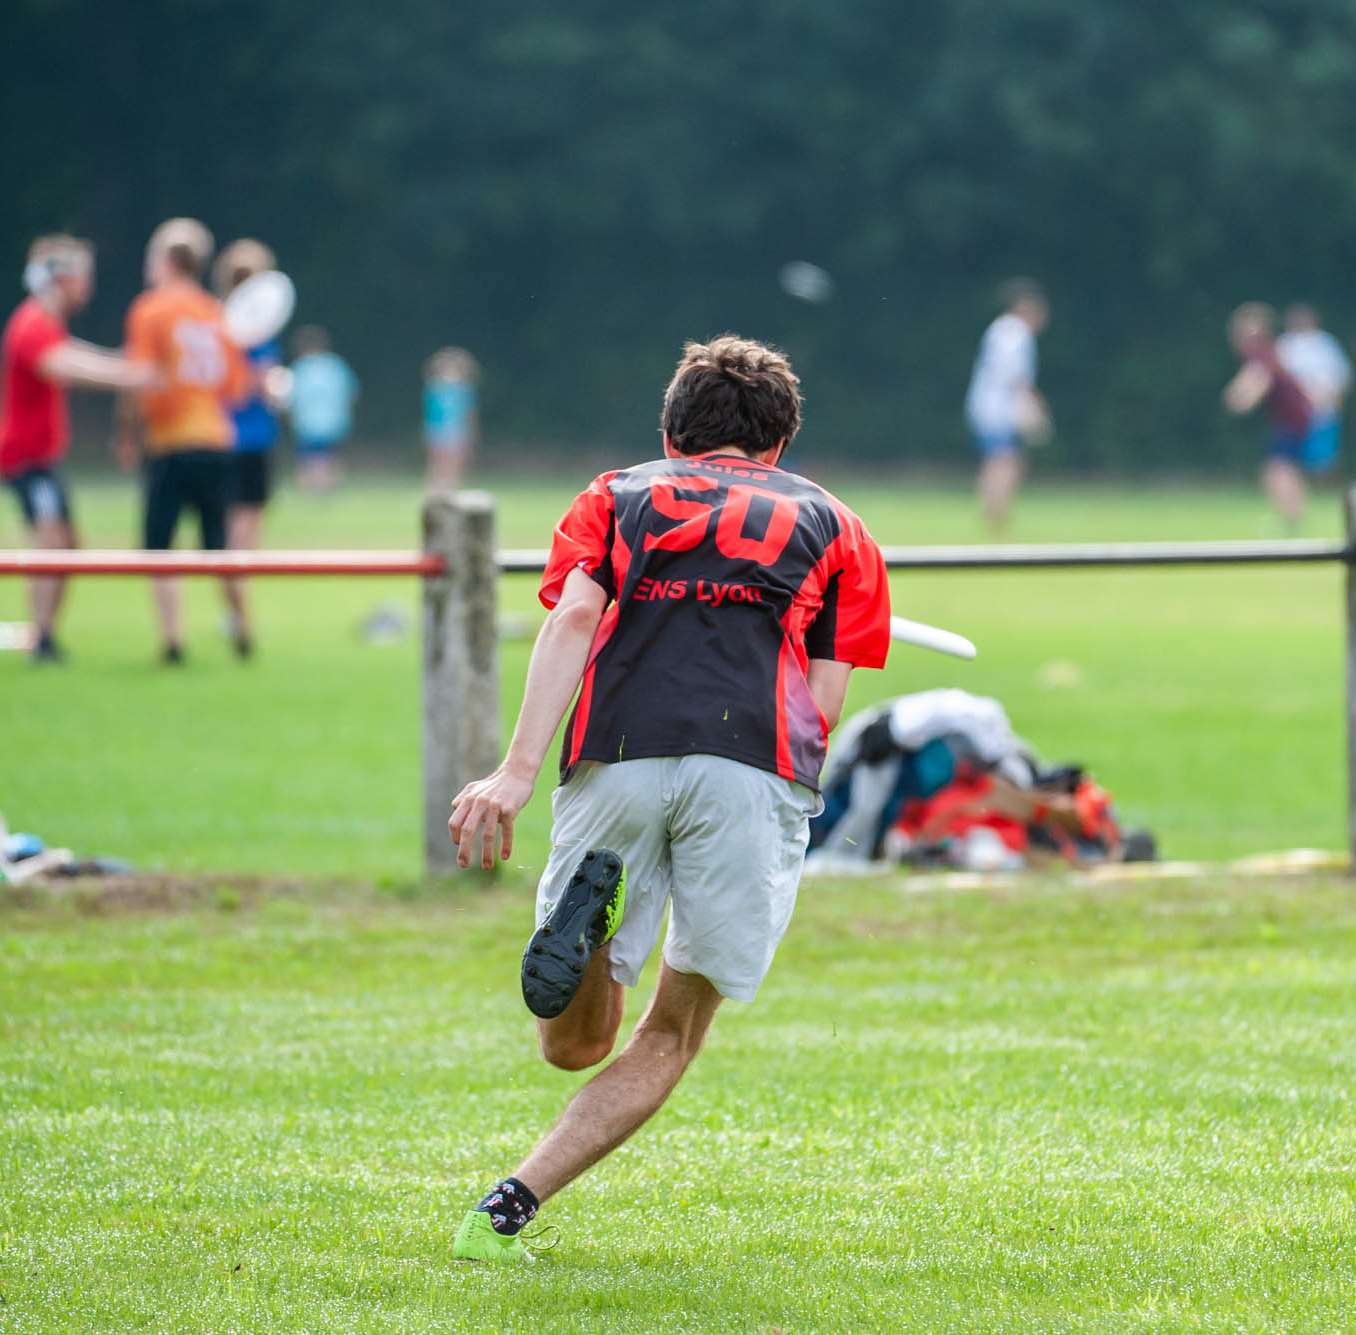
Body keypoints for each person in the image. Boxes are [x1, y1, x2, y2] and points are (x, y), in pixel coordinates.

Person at [445, 334, 891, 1264]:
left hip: (616, 755)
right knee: (674, 1029)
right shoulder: (841, 528)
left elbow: (573, 616)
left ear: (674, 431)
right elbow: (826, 702)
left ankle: (597, 926)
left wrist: (515, 773)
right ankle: (509, 1205)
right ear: (779, 443)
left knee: (570, 1044)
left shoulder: (615, 494)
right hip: (752, 767)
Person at [0, 234, 153, 663]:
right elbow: (64, 365)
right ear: (60, 278)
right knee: (52, 542)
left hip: (42, 458)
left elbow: (70, 352)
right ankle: (40, 640)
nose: (88, 285)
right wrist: (130, 374)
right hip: (25, 458)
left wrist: (123, 366)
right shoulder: (31, 324)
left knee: (66, 543)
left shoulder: (45, 324)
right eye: (83, 275)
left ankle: (42, 634)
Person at [117, 217, 252, 665]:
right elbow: (236, 388)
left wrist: (126, 434)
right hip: (217, 439)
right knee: (219, 546)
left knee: (159, 546)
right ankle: (243, 629)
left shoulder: (150, 309)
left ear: (169, 260)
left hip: (172, 443)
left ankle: (173, 641)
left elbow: (140, 377)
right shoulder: (216, 314)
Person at [213, 239, 284, 562]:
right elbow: (265, 382)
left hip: (217, 435)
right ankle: (236, 606)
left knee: (226, 524)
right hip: (253, 438)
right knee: (246, 529)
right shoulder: (259, 332)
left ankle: (231, 603)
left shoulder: (212, 324)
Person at [964, 277, 1049, 533]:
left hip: (991, 407)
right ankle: (995, 514)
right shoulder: (1014, 333)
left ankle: (994, 511)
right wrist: (1035, 409)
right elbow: (1016, 379)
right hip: (998, 410)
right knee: (1003, 460)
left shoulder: (1002, 329)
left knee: (1002, 459)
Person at [1221, 303, 1313, 526]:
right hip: (1296, 417)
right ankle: (1294, 515)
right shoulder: (1268, 350)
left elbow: (1257, 380)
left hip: (1292, 418)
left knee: (1277, 469)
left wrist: (1239, 400)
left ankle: (1291, 516)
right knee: (1284, 468)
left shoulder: (1260, 352)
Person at [1278, 302, 1349, 479]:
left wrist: (1333, 403)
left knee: (1324, 460)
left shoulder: (1324, 343)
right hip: (1293, 414)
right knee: (1290, 459)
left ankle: (1328, 492)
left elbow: (1340, 377)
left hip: (1322, 412)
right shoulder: (1285, 344)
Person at [287, 325, 356, 494]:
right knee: (331, 457)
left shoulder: (299, 368)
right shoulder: (336, 366)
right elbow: (350, 392)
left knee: (308, 458)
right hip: (334, 421)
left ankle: (311, 491)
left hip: (306, 422)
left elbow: (289, 397)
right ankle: (328, 489)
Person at [422, 346, 478, 493]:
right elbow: (430, 414)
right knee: (437, 461)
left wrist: (471, 434)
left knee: (456, 462)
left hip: (458, 431)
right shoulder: (434, 389)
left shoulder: (465, 390)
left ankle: (453, 489)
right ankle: (435, 489)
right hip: (438, 431)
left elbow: (470, 415)